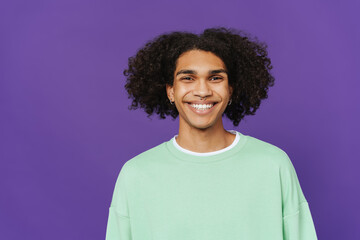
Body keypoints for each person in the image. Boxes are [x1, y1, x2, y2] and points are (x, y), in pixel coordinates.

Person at [105, 27, 318, 240]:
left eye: (215, 78)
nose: (203, 91)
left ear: (231, 89)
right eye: (188, 78)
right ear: (171, 90)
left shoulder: (273, 165)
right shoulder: (136, 174)